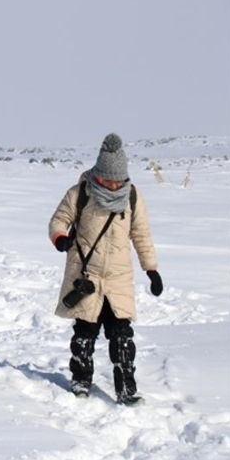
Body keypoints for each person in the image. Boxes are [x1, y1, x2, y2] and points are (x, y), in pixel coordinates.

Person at [49, 133, 162, 405]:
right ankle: (80, 380)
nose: (114, 185)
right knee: (85, 334)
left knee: (122, 335)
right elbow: (58, 221)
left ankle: (126, 389)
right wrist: (61, 238)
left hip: (118, 278)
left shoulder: (132, 196)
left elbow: (141, 235)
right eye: (109, 180)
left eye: (118, 180)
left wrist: (151, 269)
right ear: (99, 175)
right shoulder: (79, 193)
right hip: (85, 275)